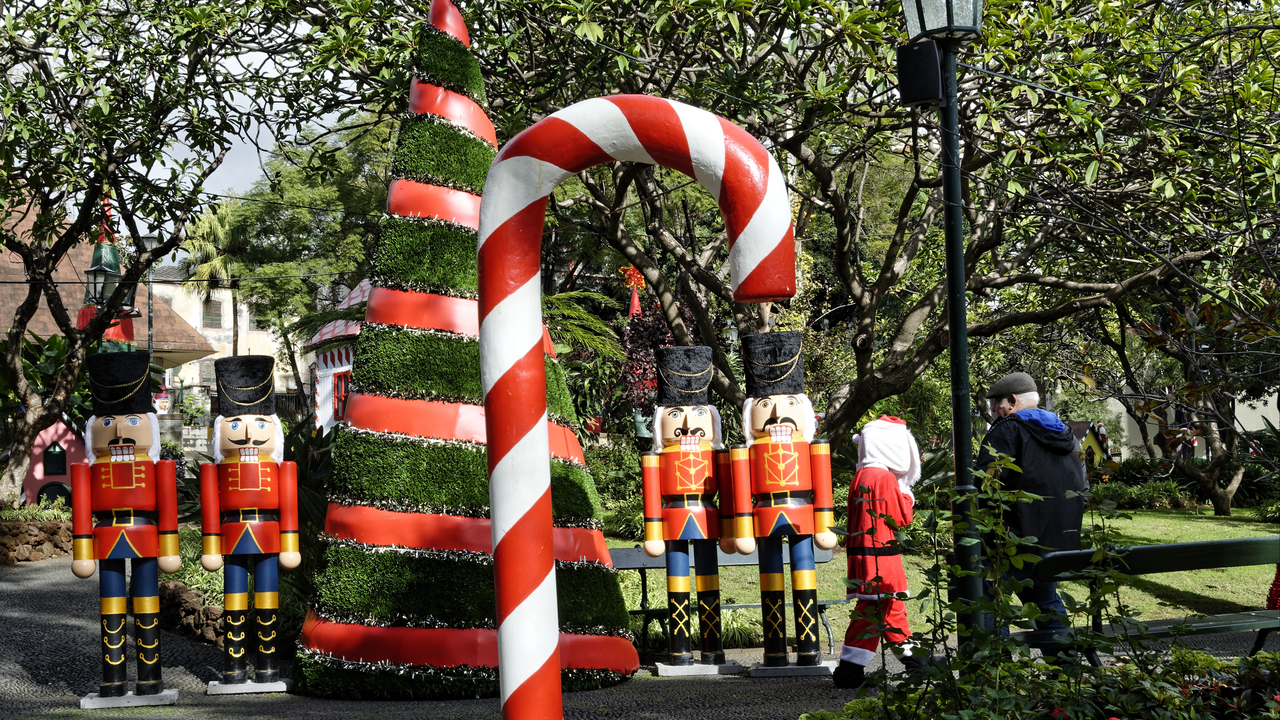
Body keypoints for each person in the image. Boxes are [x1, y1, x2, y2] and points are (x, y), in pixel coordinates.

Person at [71, 351, 181, 700]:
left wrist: (170, 545)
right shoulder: (88, 472)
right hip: (106, 534)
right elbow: (82, 509)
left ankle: (150, 679)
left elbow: (167, 505)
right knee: (111, 605)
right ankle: (113, 679)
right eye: (107, 423)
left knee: (147, 604)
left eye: (132, 421)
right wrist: (81, 551)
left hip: (145, 533)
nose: (119, 431)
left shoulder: (157, 468)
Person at [730, 330, 836, 668]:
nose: (777, 416)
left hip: (802, 513)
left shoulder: (812, 447)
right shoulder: (746, 452)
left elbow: (822, 485)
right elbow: (741, 488)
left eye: (788, 405)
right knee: (770, 583)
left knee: (804, 579)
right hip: (764, 514)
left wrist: (826, 524)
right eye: (765, 406)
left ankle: (809, 651)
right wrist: (742, 528)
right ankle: (774, 652)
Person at [200, 356, 299, 688]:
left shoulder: (281, 469)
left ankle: (268, 668)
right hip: (232, 534)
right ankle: (234, 668)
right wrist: (210, 546)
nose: (245, 434)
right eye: (235, 424)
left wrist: (291, 543)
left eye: (258, 424)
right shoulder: (215, 471)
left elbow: (288, 505)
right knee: (234, 599)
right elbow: (211, 509)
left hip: (269, 533)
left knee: (268, 598)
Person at [976, 372, 1087, 640]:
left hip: (1011, 543)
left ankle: (993, 670)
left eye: (996, 405)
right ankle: (1066, 669)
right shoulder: (1068, 435)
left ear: (1012, 401)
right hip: (1056, 544)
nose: (993, 412)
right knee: (1045, 601)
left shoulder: (1007, 429)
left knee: (987, 600)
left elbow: (984, 487)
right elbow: (1083, 490)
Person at [641, 345, 730, 666]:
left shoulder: (717, 454)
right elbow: (651, 494)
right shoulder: (656, 457)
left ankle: (712, 648)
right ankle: (680, 650)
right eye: (676, 414)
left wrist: (734, 527)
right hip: (674, 517)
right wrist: (653, 533)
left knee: (709, 581)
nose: (689, 426)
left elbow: (732, 489)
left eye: (699, 415)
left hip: (707, 516)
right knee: (677, 581)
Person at [833, 416, 926, 689]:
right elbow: (901, 518)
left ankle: (850, 671)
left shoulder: (861, 474)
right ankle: (918, 665)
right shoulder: (883, 476)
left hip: (864, 555)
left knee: (869, 613)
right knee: (890, 610)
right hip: (880, 557)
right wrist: (906, 495)